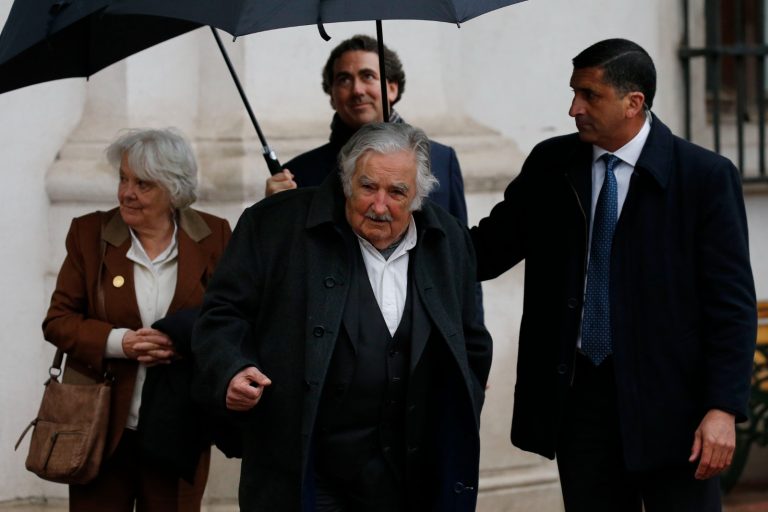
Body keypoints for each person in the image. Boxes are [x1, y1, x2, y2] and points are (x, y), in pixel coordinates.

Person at [471, 39, 757, 511]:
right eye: (574, 93)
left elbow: (731, 306)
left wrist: (723, 408)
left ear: (633, 103)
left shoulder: (704, 177)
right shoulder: (551, 165)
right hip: (579, 402)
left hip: (675, 410)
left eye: (589, 95)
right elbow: (485, 251)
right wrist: (409, 225)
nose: (574, 108)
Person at [192, 122, 492, 511]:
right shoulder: (274, 225)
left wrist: (464, 393)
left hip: (414, 472)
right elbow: (221, 315)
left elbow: (471, 338)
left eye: (396, 192)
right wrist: (231, 369)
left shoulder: (448, 240)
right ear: (347, 180)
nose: (379, 206)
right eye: (368, 187)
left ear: (418, 195)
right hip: (309, 469)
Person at [42, 128, 232, 512]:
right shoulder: (89, 234)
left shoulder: (214, 236)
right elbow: (58, 320)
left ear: (174, 189)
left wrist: (182, 340)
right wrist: (120, 343)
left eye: (143, 184)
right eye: (123, 179)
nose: (127, 193)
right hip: (100, 427)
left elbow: (230, 319)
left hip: (179, 427)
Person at [266, 34, 468, 223]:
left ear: (392, 88)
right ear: (332, 96)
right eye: (344, 79)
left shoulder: (442, 160)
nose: (357, 90)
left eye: (368, 76)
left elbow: (459, 243)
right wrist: (272, 214)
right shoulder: (298, 175)